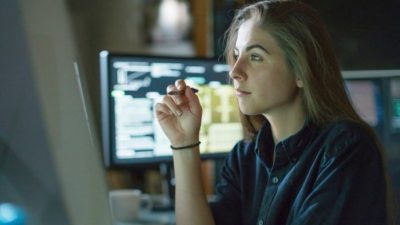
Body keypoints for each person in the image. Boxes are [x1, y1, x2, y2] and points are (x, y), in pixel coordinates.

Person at [155, 0, 397, 224]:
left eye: (256, 57)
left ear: (301, 71)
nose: (234, 72)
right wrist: (184, 144)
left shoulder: (346, 149)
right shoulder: (244, 157)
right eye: (237, 56)